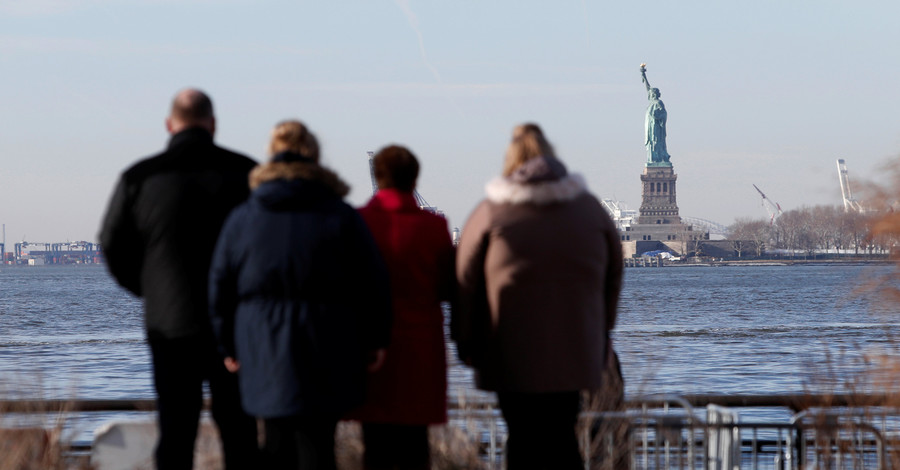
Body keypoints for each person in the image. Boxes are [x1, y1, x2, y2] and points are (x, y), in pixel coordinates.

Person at [208, 120, 392, 470]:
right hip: (328, 343)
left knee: (275, 442)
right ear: (315, 156)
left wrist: (227, 345)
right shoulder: (341, 215)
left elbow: (219, 286)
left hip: (262, 344)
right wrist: (375, 339)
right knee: (320, 444)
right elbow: (373, 281)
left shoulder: (244, 218)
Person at [98, 88, 259, 469]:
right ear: (213, 124)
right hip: (234, 325)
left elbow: (110, 244)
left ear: (169, 125)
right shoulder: (247, 174)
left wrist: (147, 289)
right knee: (240, 432)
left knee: (175, 431)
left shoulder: (139, 178)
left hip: (169, 323)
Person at [454, 123, 624, 469]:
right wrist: (602, 332)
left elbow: (463, 282)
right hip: (574, 348)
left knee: (523, 435)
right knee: (562, 434)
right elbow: (614, 274)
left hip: (509, 350)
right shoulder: (589, 209)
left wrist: (465, 341)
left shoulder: (490, 212)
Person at [347, 145, 456, 470]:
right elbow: (449, 289)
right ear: (414, 178)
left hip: (368, 350)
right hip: (421, 351)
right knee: (415, 446)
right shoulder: (435, 227)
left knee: (375, 445)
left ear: (376, 177)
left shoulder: (357, 223)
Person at [641, 64, 671, 164]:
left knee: (656, 142)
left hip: (656, 128)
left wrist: (657, 116)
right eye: (651, 93)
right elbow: (648, 88)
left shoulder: (659, 103)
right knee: (651, 143)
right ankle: (653, 159)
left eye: (654, 93)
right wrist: (643, 75)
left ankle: (659, 158)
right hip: (650, 128)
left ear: (657, 94)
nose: (652, 94)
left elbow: (664, 114)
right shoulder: (651, 103)